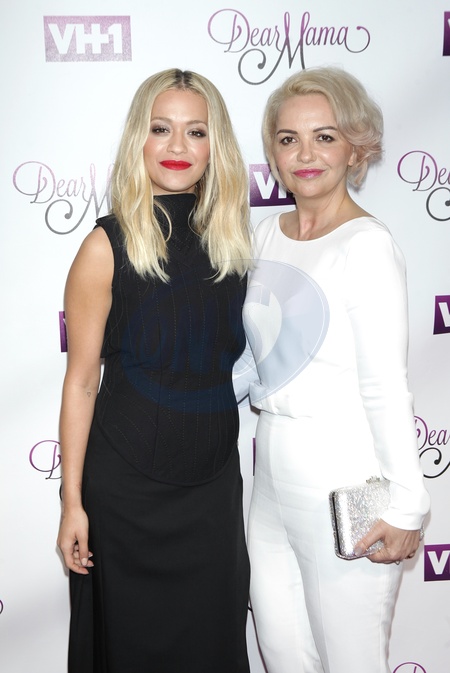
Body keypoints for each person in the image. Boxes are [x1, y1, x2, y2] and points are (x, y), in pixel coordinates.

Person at [56, 68, 252, 673]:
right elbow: (81, 381)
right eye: (160, 128)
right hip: (125, 493)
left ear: (216, 146)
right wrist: (71, 502)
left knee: (212, 646)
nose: (177, 147)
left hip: (212, 489)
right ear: (137, 140)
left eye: (196, 131)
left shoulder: (238, 246)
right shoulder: (105, 245)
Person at [242, 66, 430, 673]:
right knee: (282, 653)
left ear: (356, 148)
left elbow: (385, 386)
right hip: (269, 477)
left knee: (352, 660)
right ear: (273, 151)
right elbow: (256, 357)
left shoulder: (366, 245)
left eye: (324, 137)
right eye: (289, 139)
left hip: (343, 471)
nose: (305, 155)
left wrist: (408, 504)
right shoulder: (266, 235)